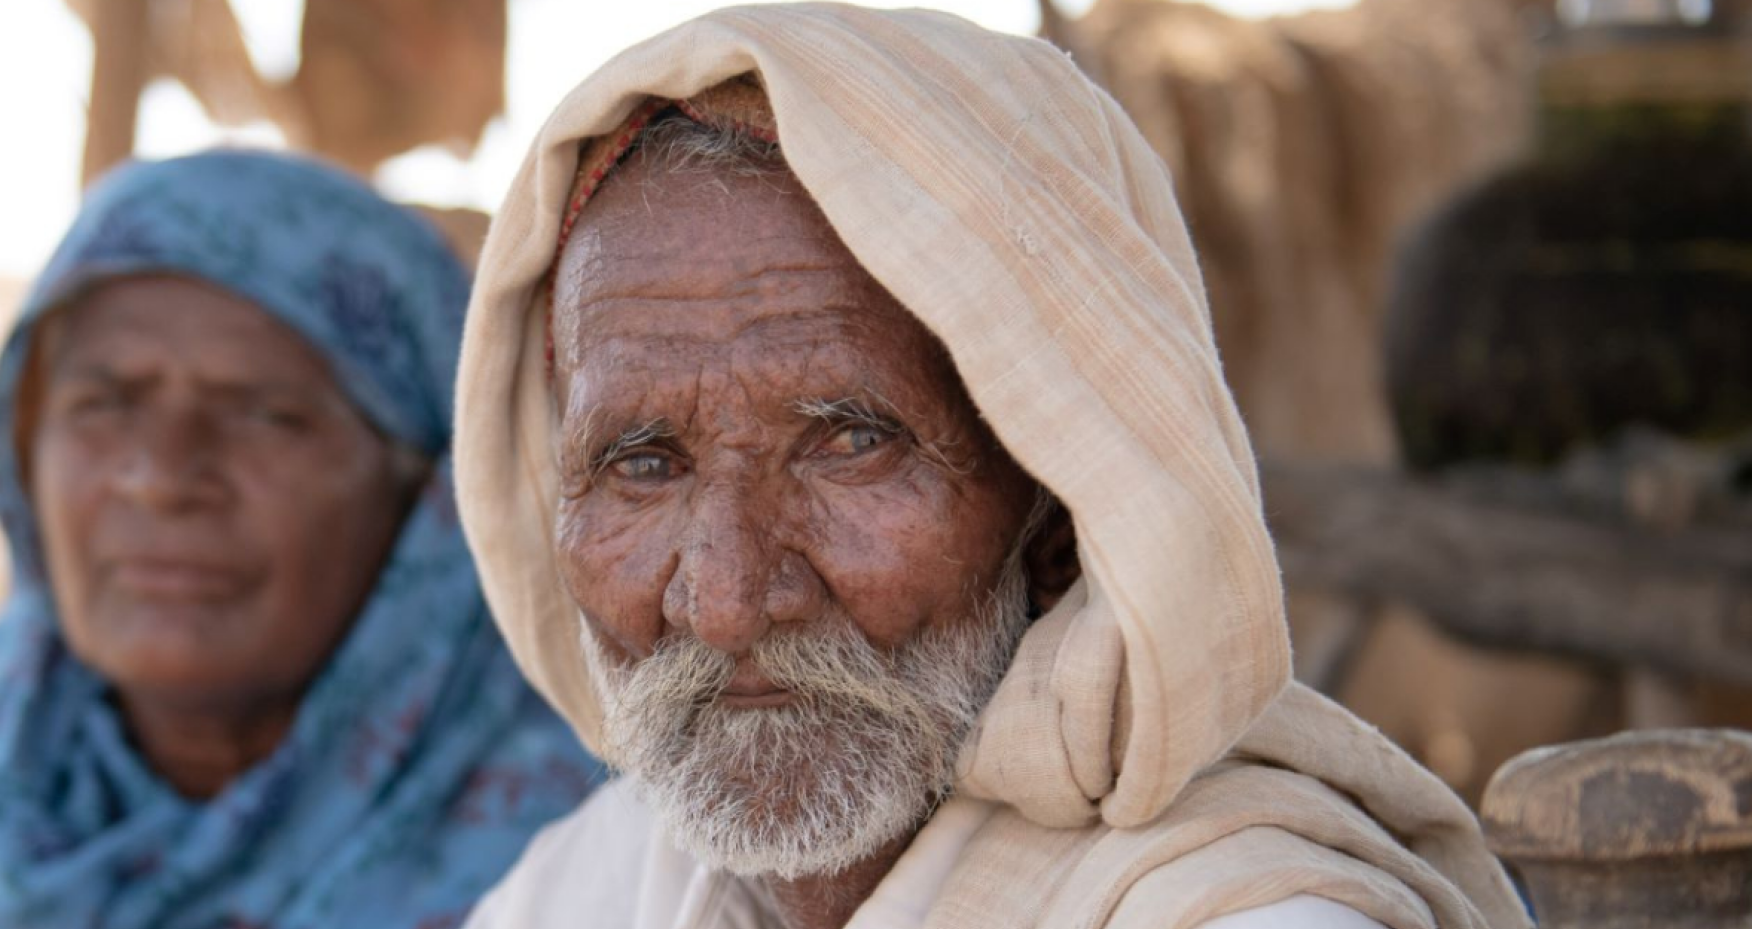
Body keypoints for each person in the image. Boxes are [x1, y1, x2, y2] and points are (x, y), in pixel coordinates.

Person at [448, 8, 1526, 929]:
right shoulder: (588, 884)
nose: (725, 599)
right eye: (641, 462)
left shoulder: (1241, 912)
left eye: (846, 442)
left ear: (1058, 504)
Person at [0, 150, 599, 929]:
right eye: (105, 402)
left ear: (431, 488)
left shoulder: (595, 856)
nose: (159, 473)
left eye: (266, 414)